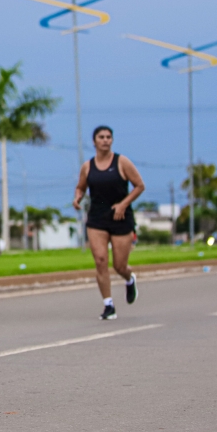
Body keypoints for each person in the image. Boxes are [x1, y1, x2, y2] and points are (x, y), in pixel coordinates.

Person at [72, 125, 146, 320]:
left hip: (120, 218)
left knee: (119, 266)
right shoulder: (88, 166)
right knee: (100, 261)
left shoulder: (121, 162)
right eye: (101, 137)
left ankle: (129, 279)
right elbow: (81, 187)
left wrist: (123, 204)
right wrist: (77, 197)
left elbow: (139, 186)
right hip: (97, 218)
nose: (105, 140)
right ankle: (108, 305)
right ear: (94, 141)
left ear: (112, 140)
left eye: (108, 137)